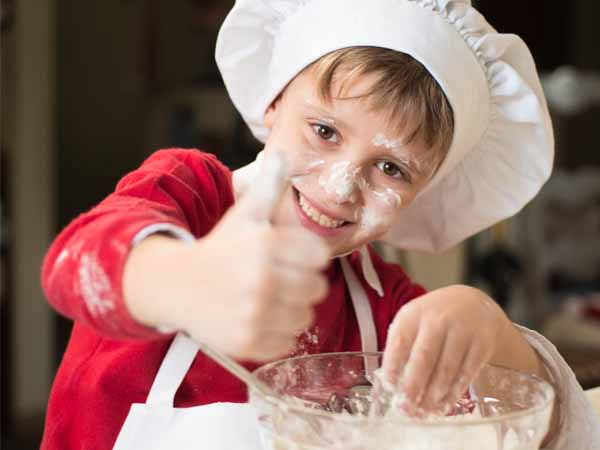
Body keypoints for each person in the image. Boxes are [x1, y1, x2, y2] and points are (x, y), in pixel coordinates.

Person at [40, 1, 600, 449]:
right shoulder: (189, 196)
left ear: (423, 193)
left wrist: (492, 329)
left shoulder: (382, 305)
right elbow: (75, 264)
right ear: (275, 103)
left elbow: (558, 431)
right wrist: (179, 280)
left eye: (390, 168)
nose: (340, 186)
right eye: (325, 132)